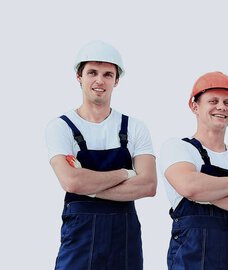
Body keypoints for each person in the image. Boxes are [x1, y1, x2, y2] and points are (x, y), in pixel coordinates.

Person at [45, 40, 157, 269]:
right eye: (92, 73)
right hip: (80, 237)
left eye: (108, 74)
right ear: (79, 77)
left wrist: (91, 185)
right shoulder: (60, 127)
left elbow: (148, 185)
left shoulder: (135, 127)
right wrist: (126, 173)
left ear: (116, 80)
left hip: (125, 239)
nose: (99, 80)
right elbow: (72, 181)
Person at [159, 71, 228, 269]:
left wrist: (206, 195)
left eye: (227, 102)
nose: (221, 107)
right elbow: (190, 186)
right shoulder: (178, 148)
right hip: (190, 259)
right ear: (194, 106)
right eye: (213, 101)